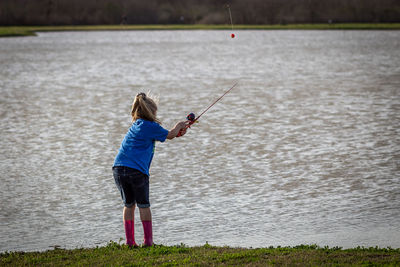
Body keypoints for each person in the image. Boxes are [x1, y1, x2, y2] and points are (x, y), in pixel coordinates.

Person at [112, 92, 189, 247]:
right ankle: (148, 242)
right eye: (155, 112)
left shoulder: (136, 125)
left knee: (128, 205)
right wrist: (180, 125)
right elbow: (170, 134)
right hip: (137, 171)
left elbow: (169, 136)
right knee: (144, 205)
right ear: (151, 112)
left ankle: (129, 242)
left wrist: (176, 133)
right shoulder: (151, 126)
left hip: (118, 168)